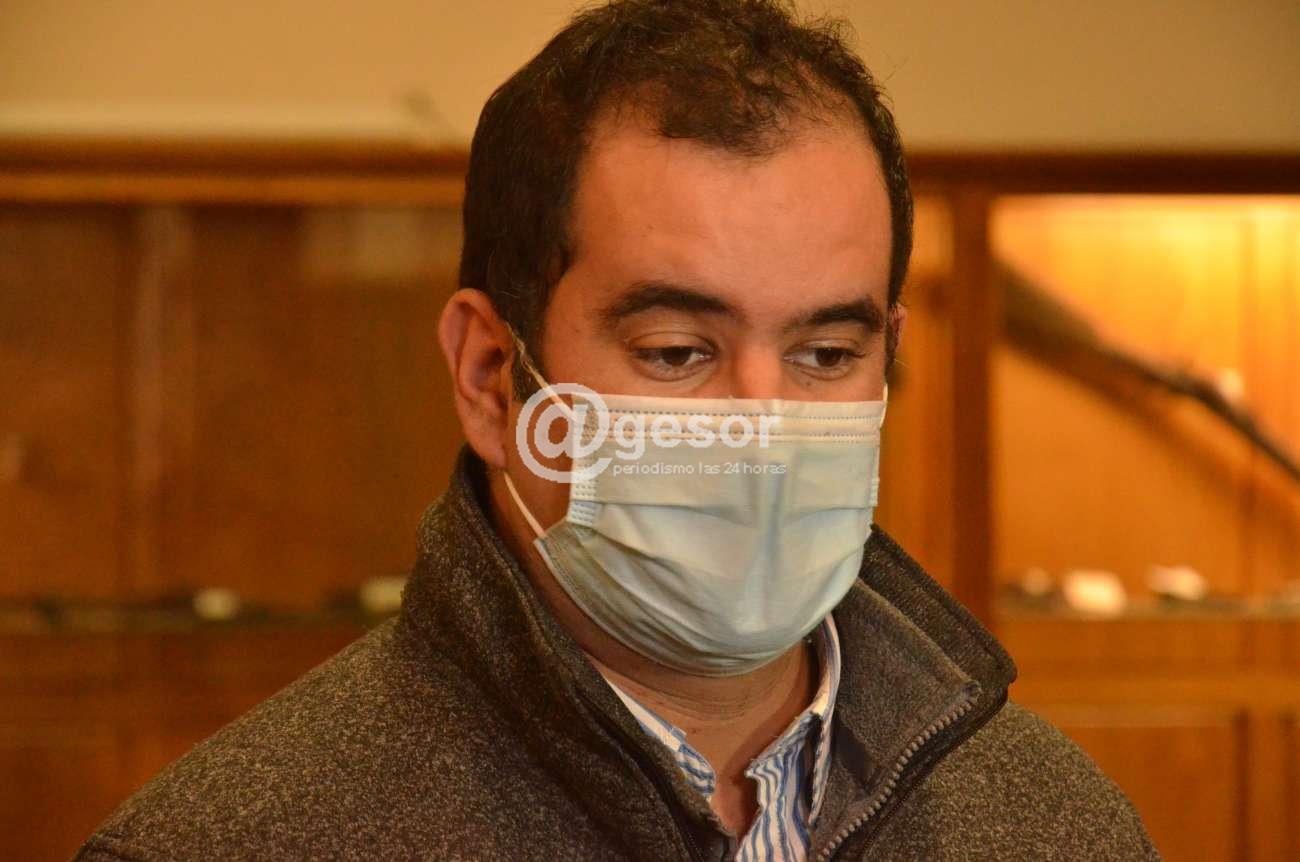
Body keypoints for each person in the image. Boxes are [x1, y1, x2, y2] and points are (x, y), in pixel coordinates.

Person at [78, 1, 1158, 859]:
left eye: (826, 355)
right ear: (491, 378)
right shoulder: (238, 839)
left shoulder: (1051, 824)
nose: (761, 428)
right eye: (677, 352)